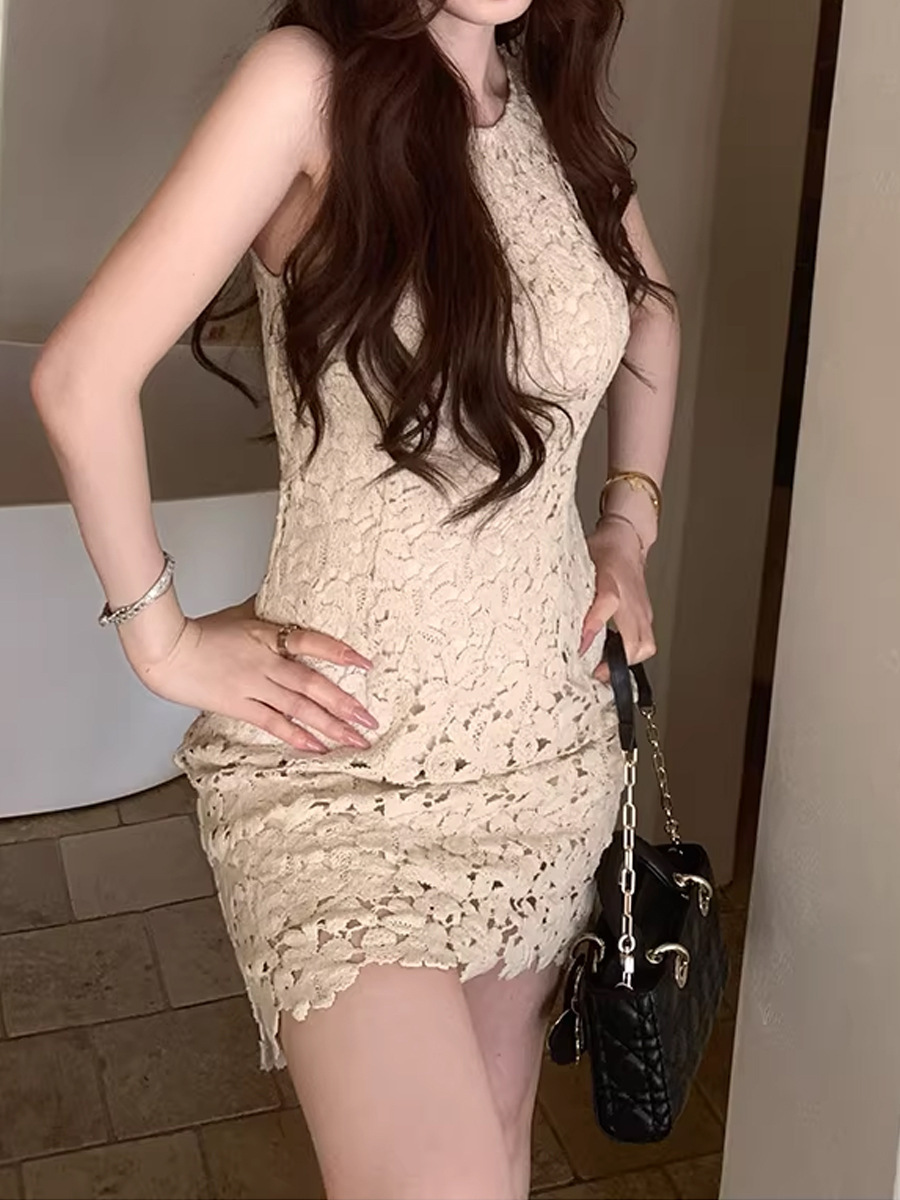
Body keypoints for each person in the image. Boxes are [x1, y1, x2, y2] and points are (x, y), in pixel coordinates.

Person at [31, 1, 680, 1196]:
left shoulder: (545, 98)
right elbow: (79, 376)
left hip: (545, 749)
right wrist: (162, 643)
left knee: (496, 1145)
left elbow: (647, 309)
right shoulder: (305, 81)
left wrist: (626, 528)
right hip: (344, 763)